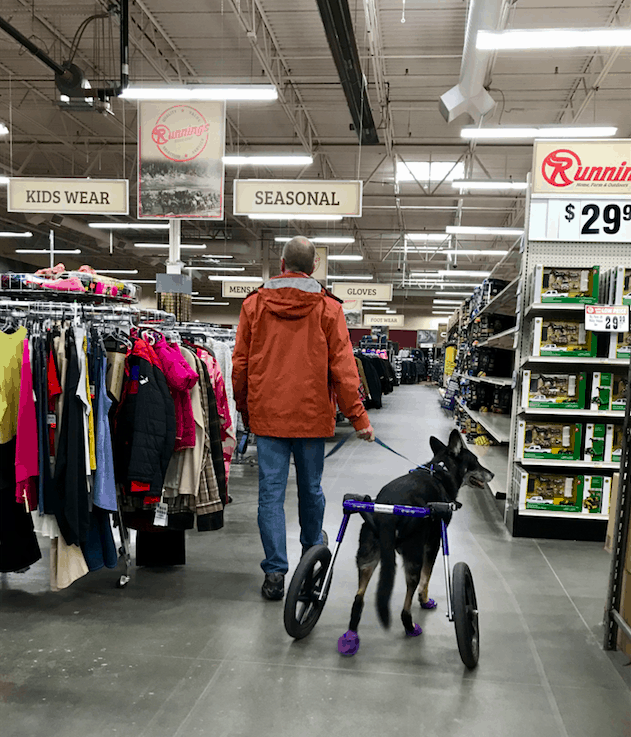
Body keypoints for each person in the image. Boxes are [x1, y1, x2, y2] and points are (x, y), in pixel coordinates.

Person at [232, 236, 375, 600]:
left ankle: (275, 573)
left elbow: (240, 365)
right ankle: (312, 555)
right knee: (311, 490)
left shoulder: (254, 305)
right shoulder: (329, 309)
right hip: (311, 417)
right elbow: (343, 368)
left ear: (281, 265)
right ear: (314, 268)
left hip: (268, 417)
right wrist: (358, 418)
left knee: (270, 496)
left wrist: (245, 408)